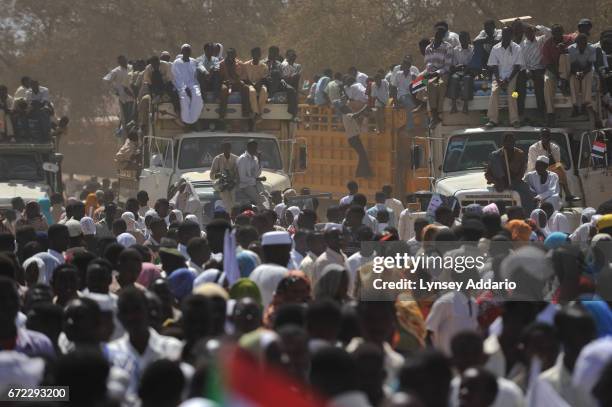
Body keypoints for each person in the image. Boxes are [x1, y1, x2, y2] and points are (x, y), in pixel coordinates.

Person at [485, 26, 524, 128]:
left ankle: (514, 120)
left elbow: (517, 67)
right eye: (503, 33)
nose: (505, 36)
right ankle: (493, 120)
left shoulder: (517, 48)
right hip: (498, 76)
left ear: (511, 35)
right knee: (494, 92)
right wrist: (499, 80)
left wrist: (508, 80)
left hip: (512, 76)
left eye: (507, 34)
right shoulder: (495, 48)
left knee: (513, 94)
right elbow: (494, 66)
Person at [485, 133, 534, 213]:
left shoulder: (520, 154)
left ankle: (527, 214)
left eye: (511, 141)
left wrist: (513, 183)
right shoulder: (495, 155)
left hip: (515, 182)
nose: (509, 143)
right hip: (499, 183)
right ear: (503, 143)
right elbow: (488, 174)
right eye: (507, 141)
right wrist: (496, 182)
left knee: (528, 192)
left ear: (514, 142)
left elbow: (521, 172)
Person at [249, 231, 292, 307]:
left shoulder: (255, 271)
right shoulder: (283, 273)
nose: (289, 257)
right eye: (287, 252)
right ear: (279, 252)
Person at [517, 24, 551, 119]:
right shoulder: (522, 45)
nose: (529, 34)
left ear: (534, 32)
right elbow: (521, 60)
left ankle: (541, 113)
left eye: (531, 32)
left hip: (539, 69)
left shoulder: (541, 40)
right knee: (519, 88)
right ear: (525, 34)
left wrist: (539, 27)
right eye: (527, 32)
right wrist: (527, 69)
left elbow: (550, 33)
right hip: (526, 69)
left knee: (539, 89)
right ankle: (520, 113)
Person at [542, 24, 574, 124]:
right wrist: (557, 74)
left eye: (559, 32)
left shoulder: (569, 41)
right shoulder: (547, 44)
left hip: (568, 69)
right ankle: (550, 112)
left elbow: (574, 57)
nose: (557, 34)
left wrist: (564, 50)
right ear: (552, 33)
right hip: (553, 70)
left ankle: (564, 83)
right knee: (547, 81)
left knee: (564, 56)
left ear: (562, 32)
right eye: (555, 32)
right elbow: (547, 63)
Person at [424, 26, 453, 125]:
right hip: (430, 73)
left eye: (441, 33)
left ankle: (438, 113)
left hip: (443, 74)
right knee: (425, 84)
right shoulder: (428, 48)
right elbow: (427, 63)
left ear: (443, 35)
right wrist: (430, 72)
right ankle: (432, 113)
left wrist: (436, 73)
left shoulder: (447, 47)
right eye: (437, 32)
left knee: (441, 85)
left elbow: (447, 66)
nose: (438, 34)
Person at [172, 44, 205, 125]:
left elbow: (199, 69)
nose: (187, 52)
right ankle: (186, 120)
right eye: (185, 50)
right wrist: (184, 87)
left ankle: (193, 119)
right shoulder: (177, 63)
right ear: (182, 52)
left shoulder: (193, 61)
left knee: (197, 97)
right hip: (181, 86)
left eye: (188, 50)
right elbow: (177, 77)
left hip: (193, 85)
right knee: (184, 99)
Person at [103, 55, 135, 130]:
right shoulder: (116, 71)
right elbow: (106, 80)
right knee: (126, 118)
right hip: (123, 98)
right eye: (121, 61)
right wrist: (114, 90)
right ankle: (127, 134)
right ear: (118, 62)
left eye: (124, 60)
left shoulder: (132, 68)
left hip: (134, 96)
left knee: (134, 118)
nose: (123, 62)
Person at [568, 33, 596, 116]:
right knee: (572, 80)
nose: (582, 46)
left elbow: (590, 64)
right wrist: (577, 72)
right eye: (580, 43)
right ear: (577, 43)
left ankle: (585, 104)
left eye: (584, 44)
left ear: (586, 43)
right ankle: (575, 105)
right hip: (575, 70)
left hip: (587, 70)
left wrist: (583, 73)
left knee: (588, 78)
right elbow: (572, 65)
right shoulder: (571, 49)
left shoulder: (591, 48)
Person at [219, 48, 250, 119]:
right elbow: (219, 78)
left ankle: (246, 112)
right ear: (227, 55)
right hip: (226, 83)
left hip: (236, 83)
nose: (231, 56)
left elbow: (243, 77)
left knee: (245, 88)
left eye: (232, 55)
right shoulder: (222, 64)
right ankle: (222, 114)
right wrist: (224, 81)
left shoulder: (239, 64)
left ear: (235, 55)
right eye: (229, 55)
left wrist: (238, 79)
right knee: (223, 89)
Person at [391, 55, 420, 129]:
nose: (404, 65)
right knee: (409, 103)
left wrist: (416, 80)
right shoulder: (398, 74)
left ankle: (425, 127)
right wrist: (395, 102)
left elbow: (421, 85)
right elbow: (393, 88)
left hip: (411, 96)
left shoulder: (413, 75)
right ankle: (410, 127)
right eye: (403, 63)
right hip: (402, 95)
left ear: (409, 66)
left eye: (406, 64)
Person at [448, 31, 475, 114]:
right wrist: (458, 67)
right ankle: (453, 106)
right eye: (462, 38)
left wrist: (467, 67)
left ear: (468, 39)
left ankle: (465, 105)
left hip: (468, 72)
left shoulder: (473, 49)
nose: (463, 40)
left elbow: (473, 64)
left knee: (467, 79)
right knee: (454, 79)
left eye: (465, 38)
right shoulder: (455, 50)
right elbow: (452, 66)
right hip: (457, 71)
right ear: (459, 39)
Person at [236, 139, 266, 209]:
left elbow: (257, 174)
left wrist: (259, 160)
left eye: (256, 147)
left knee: (266, 194)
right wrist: (256, 179)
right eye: (254, 147)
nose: (256, 149)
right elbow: (242, 178)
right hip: (245, 186)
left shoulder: (255, 158)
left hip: (253, 183)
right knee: (259, 200)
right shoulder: (243, 159)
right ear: (248, 147)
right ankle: (263, 213)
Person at [241, 47, 269, 121]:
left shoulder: (264, 66)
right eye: (254, 54)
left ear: (260, 55)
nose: (256, 56)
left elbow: (264, 78)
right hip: (250, 84)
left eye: (258, 54)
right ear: (252, 55)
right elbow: (244, 79)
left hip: (260, 85)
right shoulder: (246, 65)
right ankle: (256, 112)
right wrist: (252, 84)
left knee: (264, 90)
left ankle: (260, 112)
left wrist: (259, 83)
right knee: (252, 91)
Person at [210, 140, 238, 211]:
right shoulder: (217, 159)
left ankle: (232, 211)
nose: (226, 150)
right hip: (220, 182)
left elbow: (238, 174)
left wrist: (233, 180)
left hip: (232, 182)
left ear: (230, 149)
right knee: (224, 190)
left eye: (228, 148)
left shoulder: (235, 159)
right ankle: (230, 212)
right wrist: (218, 175)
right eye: (224, 148)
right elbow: (211, 175)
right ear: (222, 149)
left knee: (232, 191)